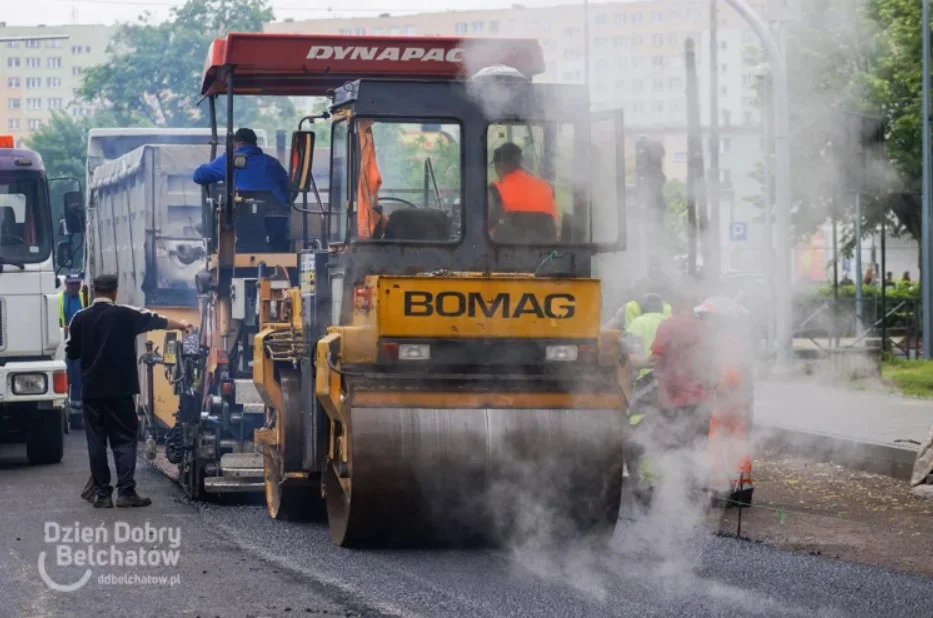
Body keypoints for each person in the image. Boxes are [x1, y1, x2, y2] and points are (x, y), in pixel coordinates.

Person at [67, 274, 191, 508]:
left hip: (92, 391)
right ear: (114, 291)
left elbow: (71, 351)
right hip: (121, 390)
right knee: (124, 440)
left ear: (93, 291)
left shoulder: (79, 319)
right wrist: (182, 324)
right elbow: (156, 320)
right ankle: (126, 492)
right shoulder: (125, 314)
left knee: (96, 442)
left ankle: (102, 495)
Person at [192, 128, 291, 207]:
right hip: (276, 218)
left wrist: (207, 166)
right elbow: (290, 188)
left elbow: (198, 176)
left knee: (201, 226)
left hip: (239, 218)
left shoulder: (229, 160)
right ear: (255, 144)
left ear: (236, 143)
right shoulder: (273, 163)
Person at [488, 142, 558, 240]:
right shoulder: (546, 186)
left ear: (502, 165)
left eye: (496, 166)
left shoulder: (495, 188)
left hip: (507, 251)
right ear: (520, 163)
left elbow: (485, 226)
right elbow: (554, 223)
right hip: (546, 252)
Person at [59, 271, 87, 419]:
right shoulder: (59, 299)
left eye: (77, 283)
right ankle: (67, 408)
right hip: (62, 343)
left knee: (78, 377)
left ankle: (77, 411)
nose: (75, 286)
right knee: (67, 377)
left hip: (80, 344)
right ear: (66, 284)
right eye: (72, 284)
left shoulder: (85, 298)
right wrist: (61, 328)